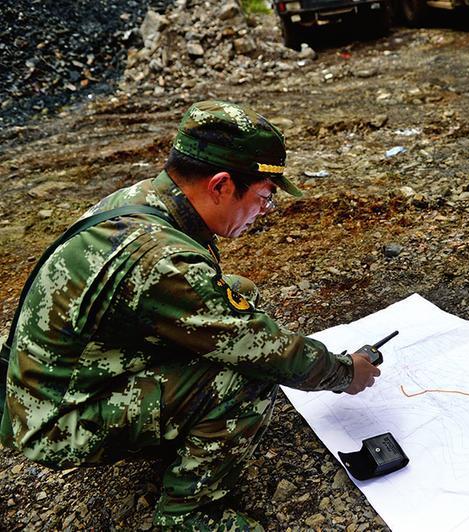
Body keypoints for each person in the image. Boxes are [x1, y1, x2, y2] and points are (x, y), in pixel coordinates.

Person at [0, 100, 382, 530]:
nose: (264, 213)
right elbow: (267, 352)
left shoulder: (143, 199)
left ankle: (179, 432)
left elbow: (224, 313)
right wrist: (347, 372)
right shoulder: (164, 261)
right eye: (264, 198)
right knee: (247, 377)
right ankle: (188, 516)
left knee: (239, 293)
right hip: (55, 421)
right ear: (220, 185)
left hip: (59, 380)